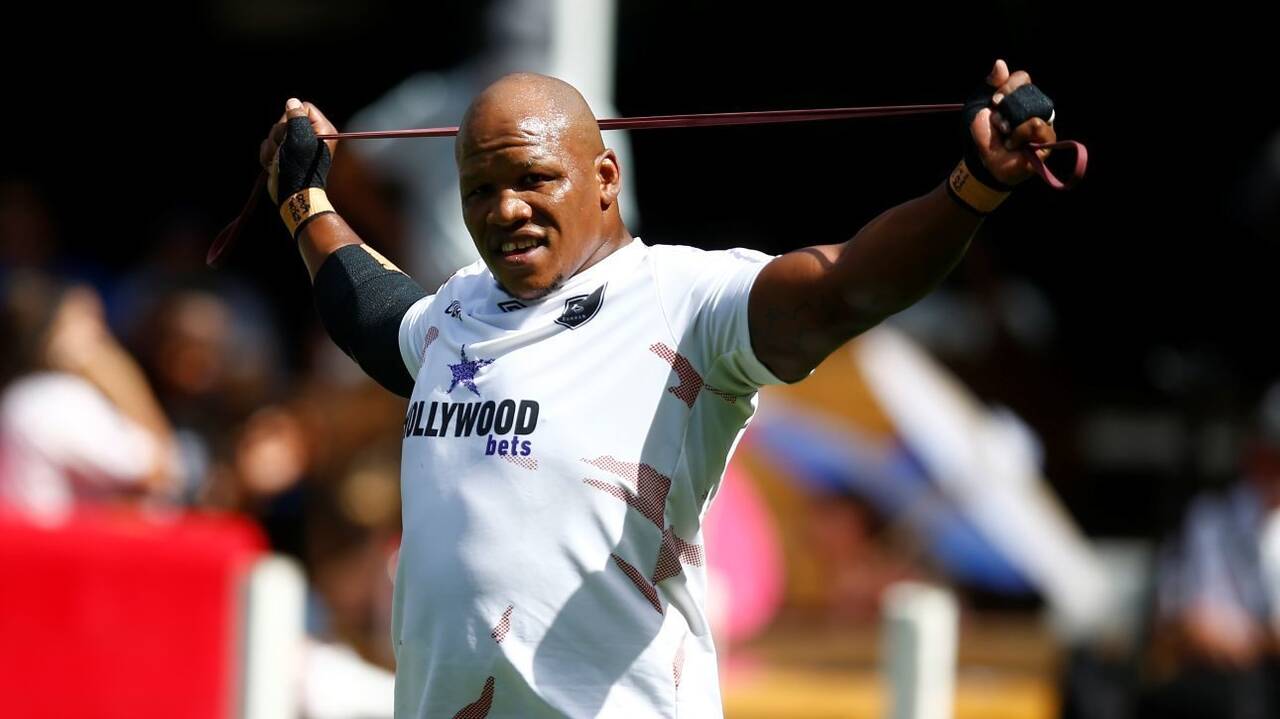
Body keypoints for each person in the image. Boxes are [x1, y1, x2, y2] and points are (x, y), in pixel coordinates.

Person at [258, 58, 1057, 717]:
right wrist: (304, 201)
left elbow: (845, 287)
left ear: (604, 175)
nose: (506, 209)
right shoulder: (455, 311)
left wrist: (974, 186)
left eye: (534, 178)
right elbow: (372, 312)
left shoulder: (685, 302)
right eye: (479, 188)